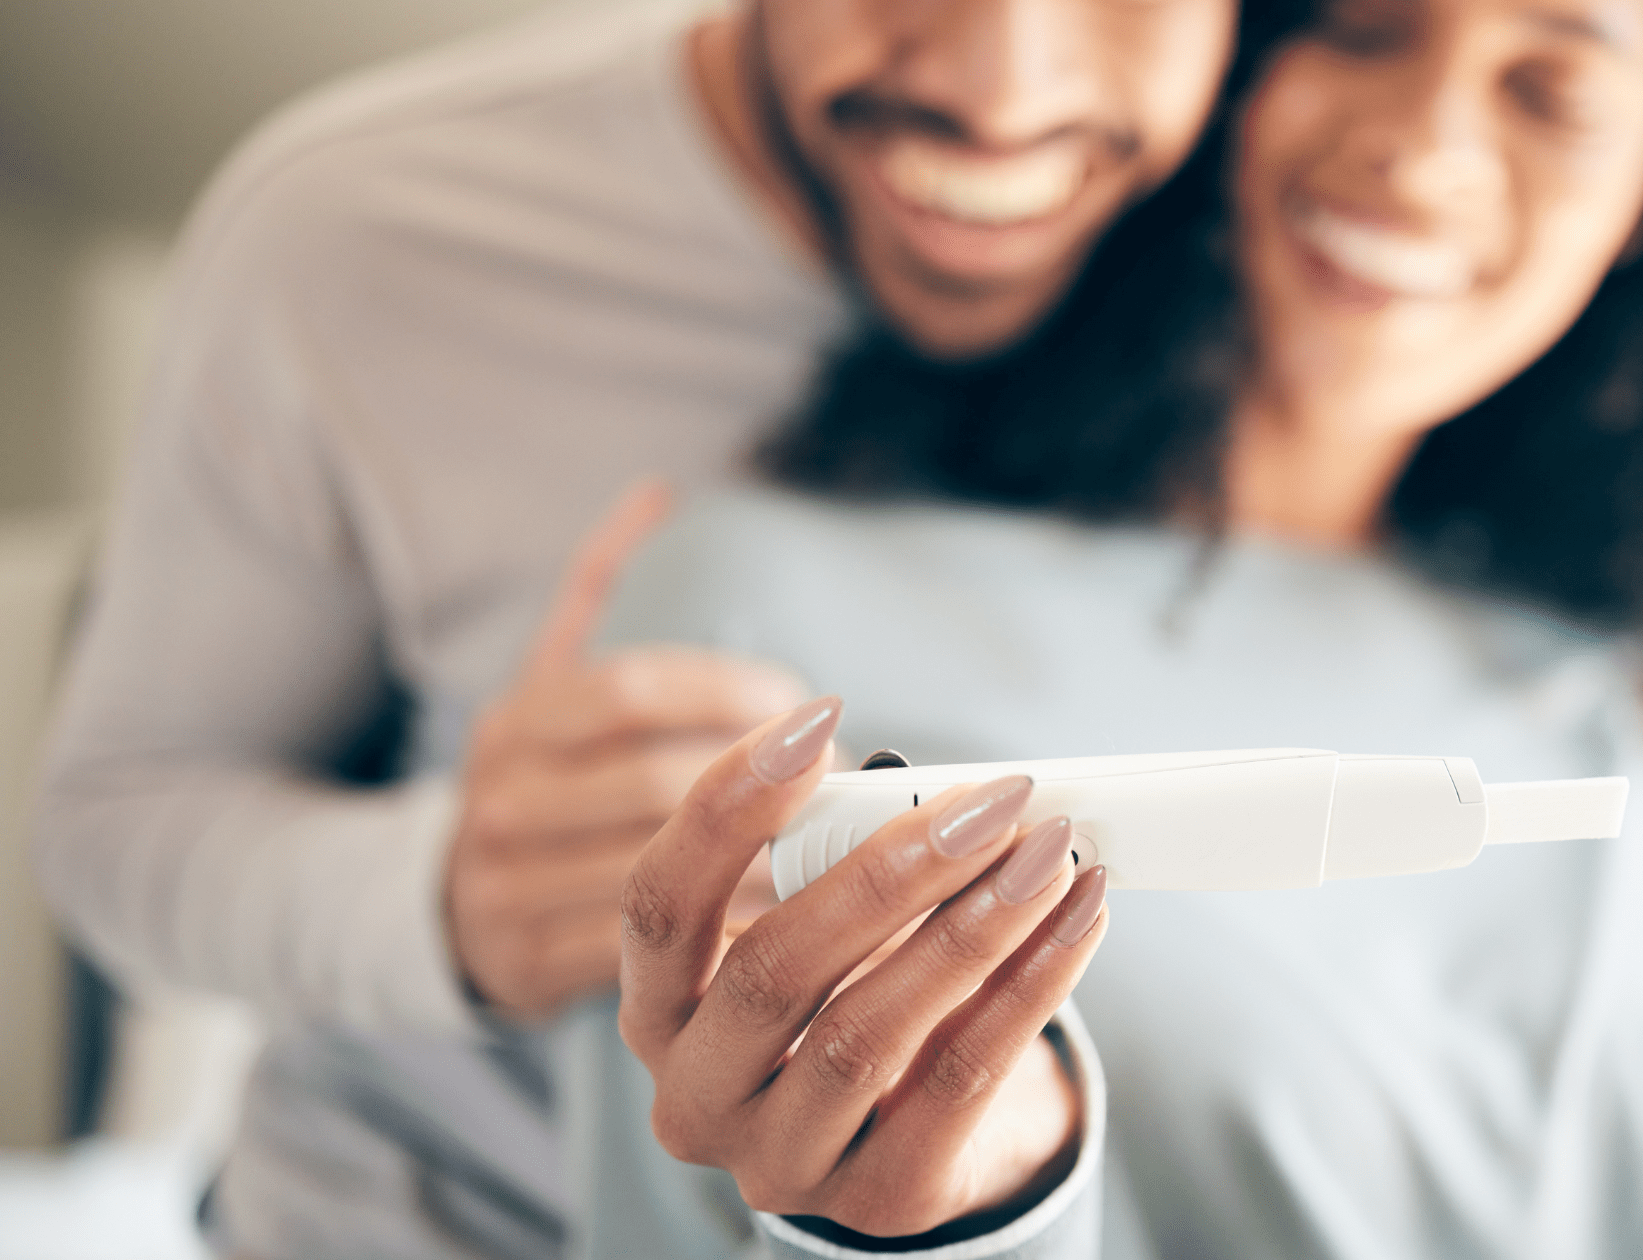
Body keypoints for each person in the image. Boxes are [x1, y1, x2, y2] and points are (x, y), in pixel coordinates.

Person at [578, 0, 1643, 1255]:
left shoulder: (1623, 703)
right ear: (1228, 67)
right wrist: (978, 1204)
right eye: (1359, 26)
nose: (1422, 148)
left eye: (1555, 91)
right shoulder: (753, 606)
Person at [32, 1, 1252, 1255]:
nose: (1002, 94)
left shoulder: (1307, 238)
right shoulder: (361, 235)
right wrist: (448, 899)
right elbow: (114, 822)